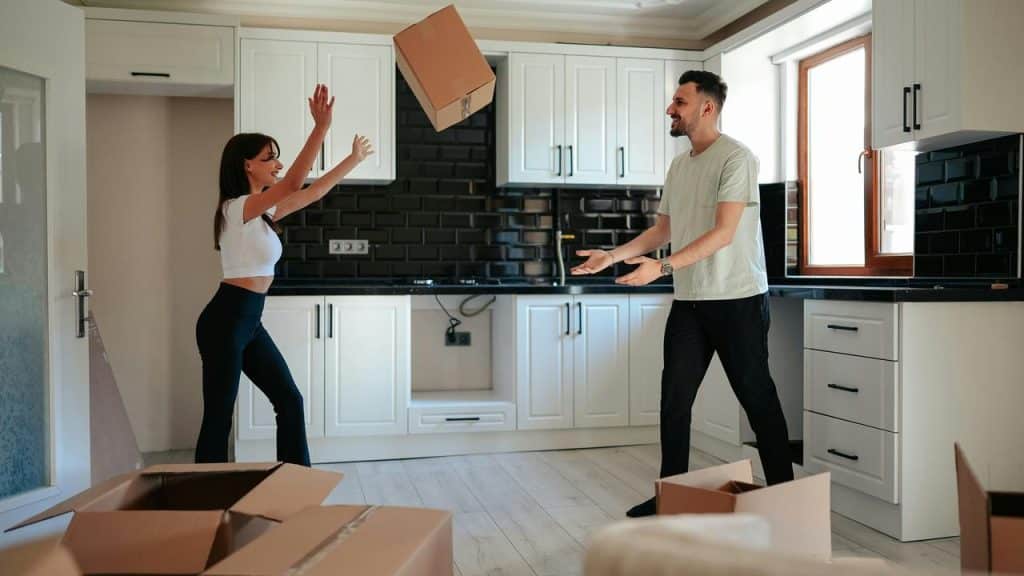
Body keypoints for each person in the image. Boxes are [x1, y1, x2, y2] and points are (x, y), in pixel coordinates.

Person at [572, 70, 793, 517]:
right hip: (691, 302)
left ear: (706, 107)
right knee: (674, 399)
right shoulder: (681, 164)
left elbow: (725, 232)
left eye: (679, 102)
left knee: (757, 398)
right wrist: (612, 257)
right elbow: (664, 231)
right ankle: (669, 496)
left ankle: (788, 501)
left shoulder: (737, 159)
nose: (670, 109)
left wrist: (666, 266)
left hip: (738, 300)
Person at [195, 84, 373, 465]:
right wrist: (320, 127)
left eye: (277, 158)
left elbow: (311, 191)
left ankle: (295, 483)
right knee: (218, 418)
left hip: (248, 320)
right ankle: (203, 501)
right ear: (247, 164)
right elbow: (293, 182)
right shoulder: (236, 207)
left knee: (289, 400)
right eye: (269, 158)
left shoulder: (262, 213)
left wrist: (353, 158)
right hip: (226, 320)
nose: (277, 163)